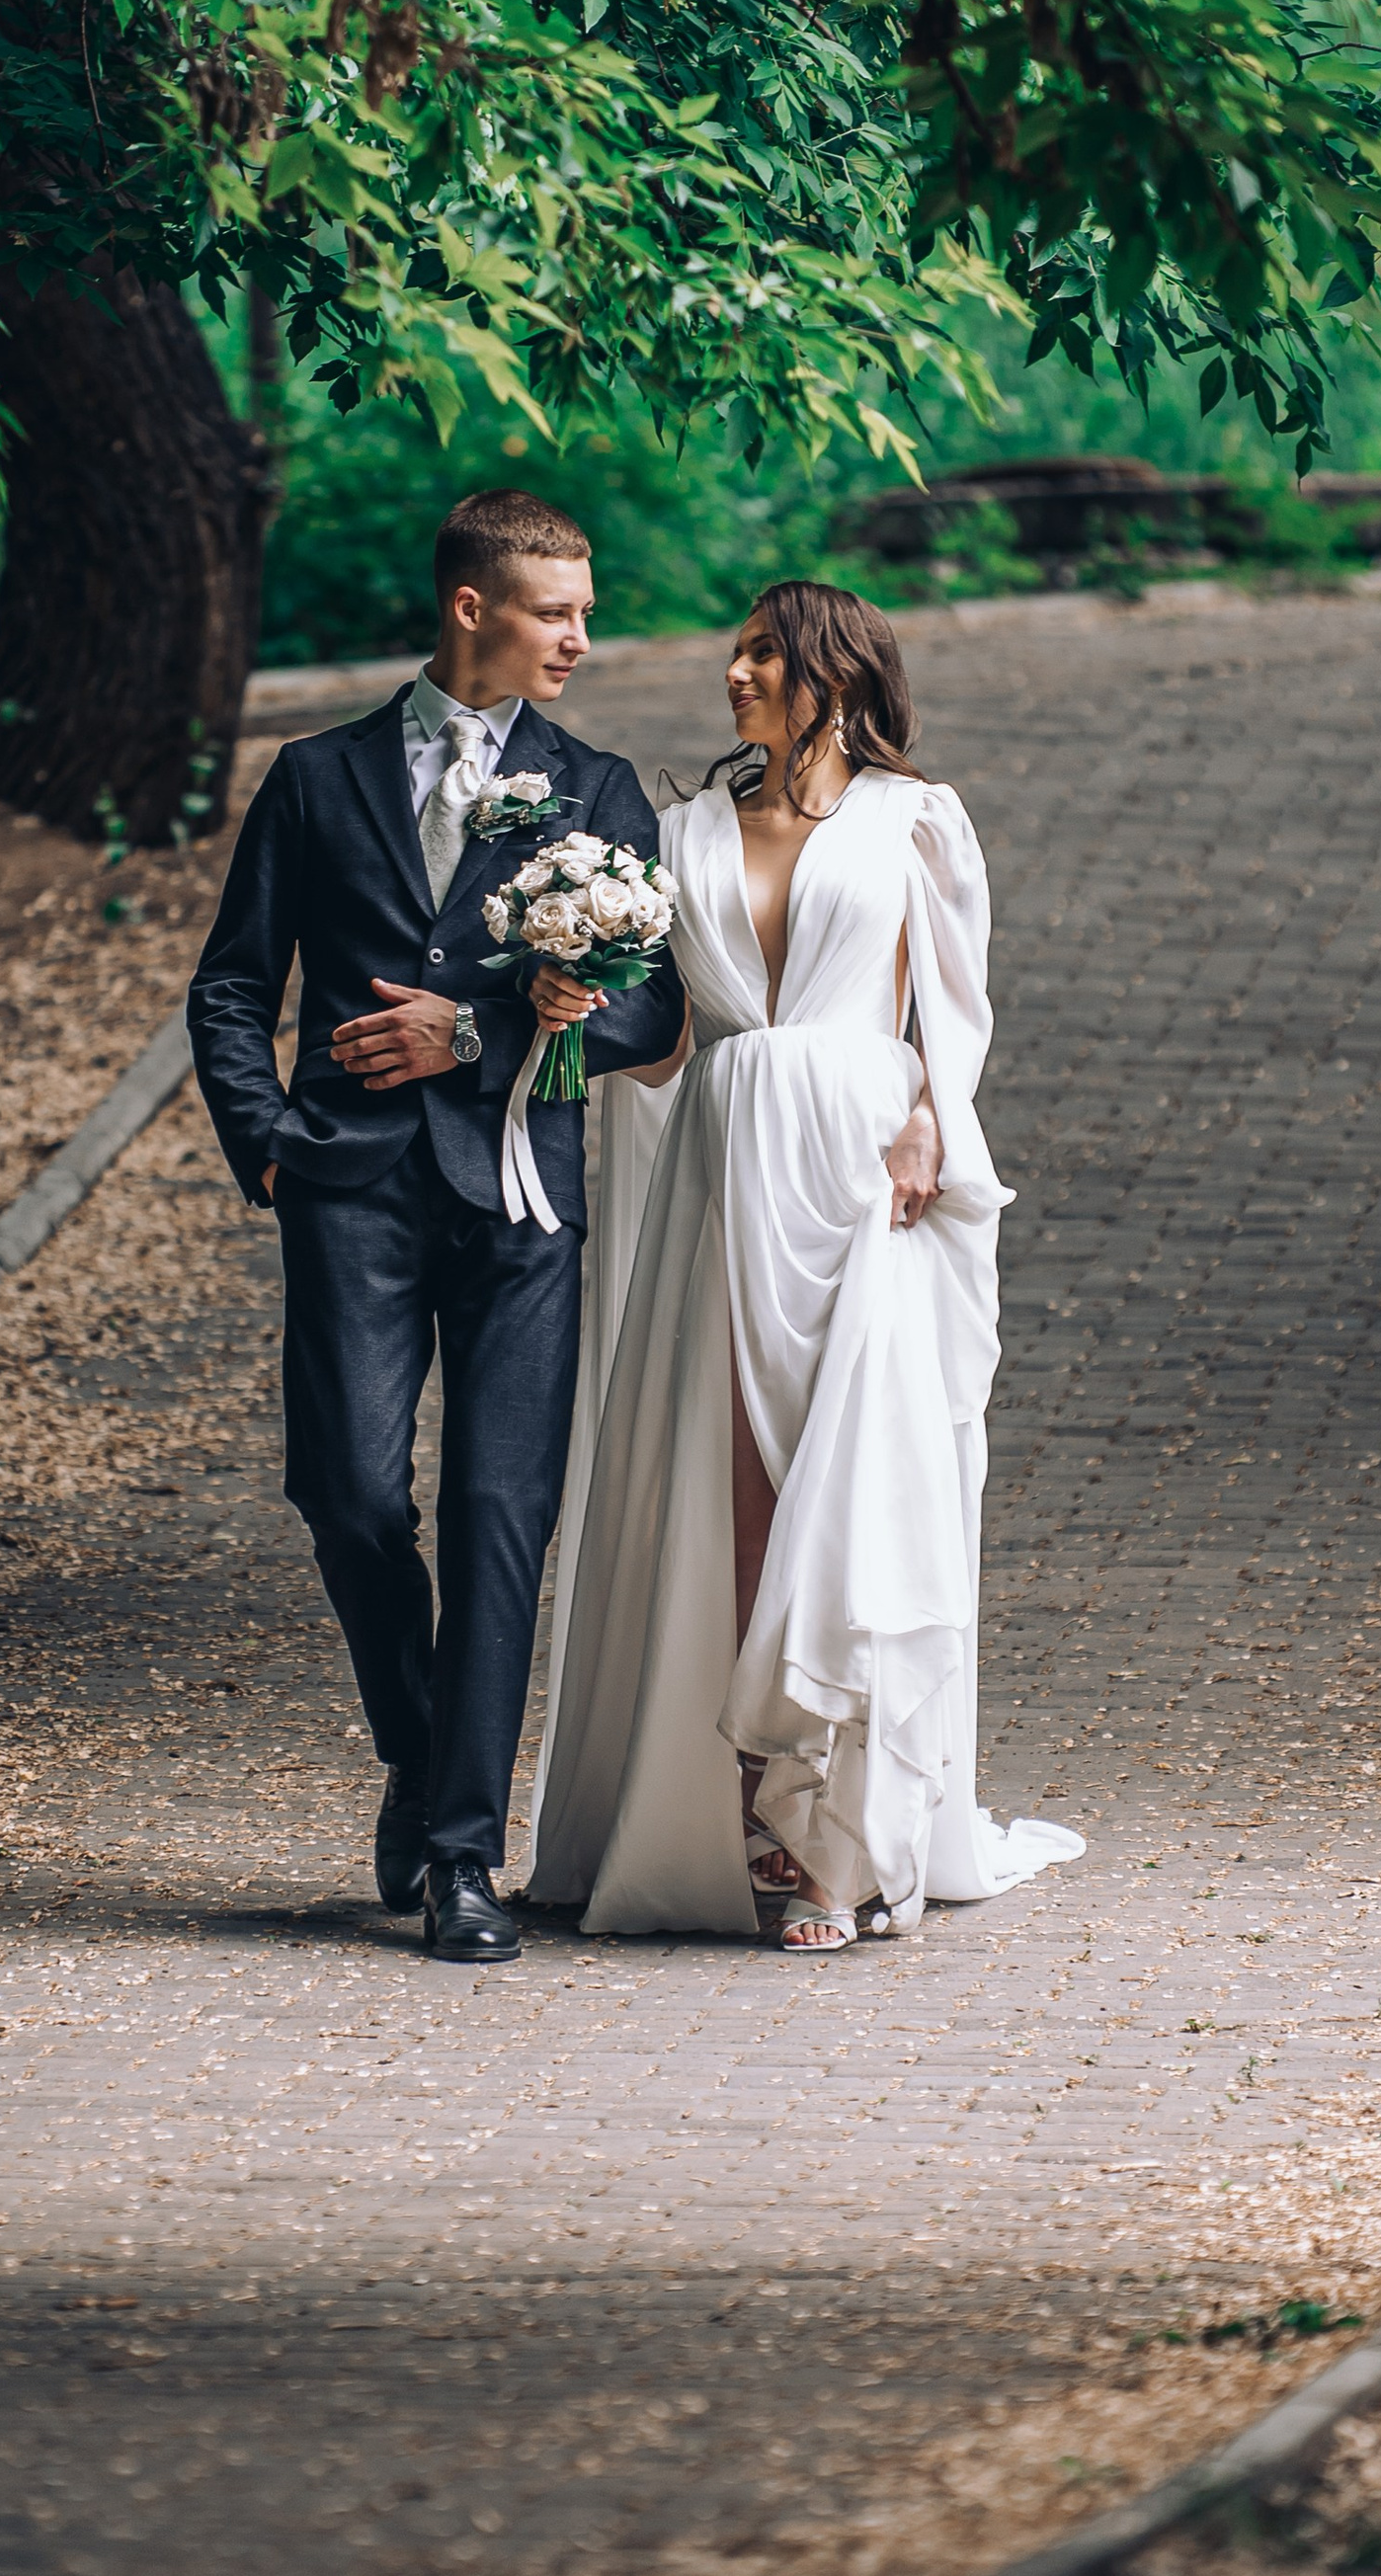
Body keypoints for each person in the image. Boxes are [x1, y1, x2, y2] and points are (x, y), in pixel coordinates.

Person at [528, 582, 1082, 1950]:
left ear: (833, 676)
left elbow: (955, 1010)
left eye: (764, 652)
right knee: (729, 1504)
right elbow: (662, 1042)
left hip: (862, 1178)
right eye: (738, 650)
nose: (734, 673)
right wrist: (559, 1013)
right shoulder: (677, 835)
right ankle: (736, 1808)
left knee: (852, 1490)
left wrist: (930, 1124)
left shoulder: (915, 823)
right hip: (719, 1167)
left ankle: (843, 1841)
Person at [188, 491, 687, 1964]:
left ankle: (463, 1854)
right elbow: (231, 986)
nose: (581, 638)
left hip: (522, 1194)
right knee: (346, 1492)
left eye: (586, 611)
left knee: (499, 1520)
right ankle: (421, 1750)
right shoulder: (316, 778)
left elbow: (653, 1005)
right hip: (346, 1188)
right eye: (557, 611)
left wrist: (478, 1031)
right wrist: (270, 1145)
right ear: (473, 608)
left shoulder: (595, 792)